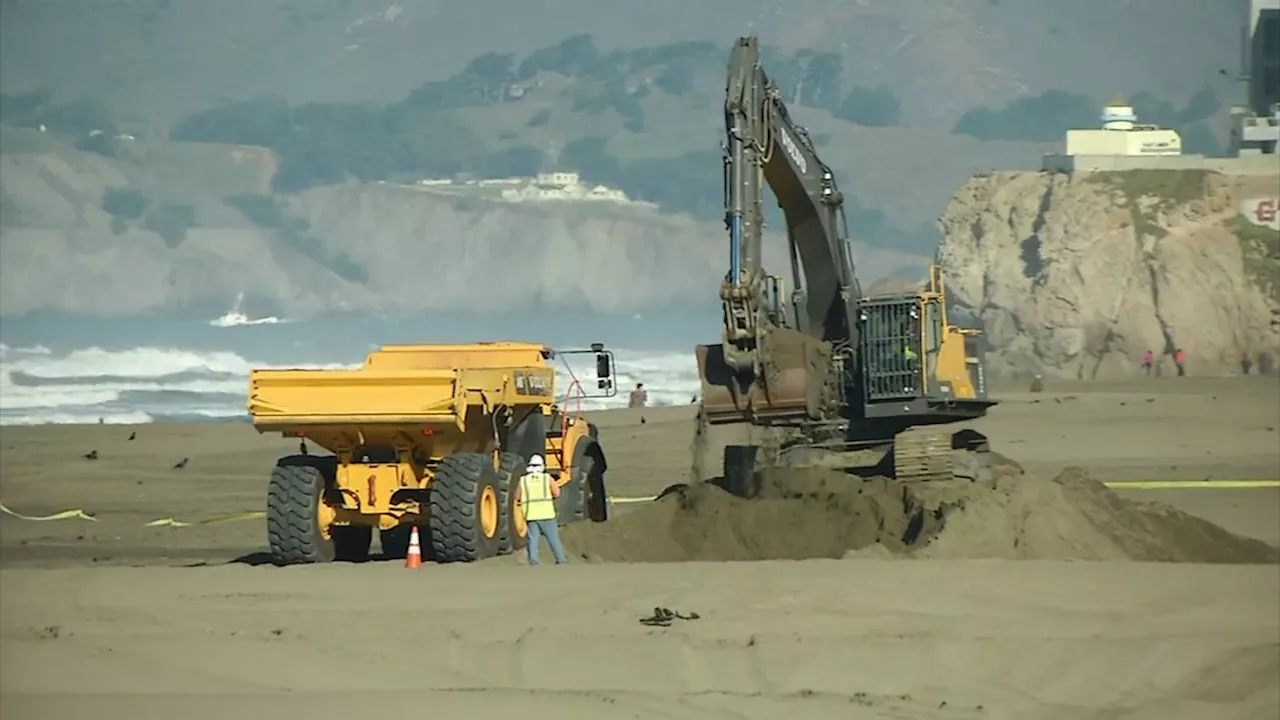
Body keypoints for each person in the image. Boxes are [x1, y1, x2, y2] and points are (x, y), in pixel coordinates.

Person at [514, 454, 568, 565]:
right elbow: (556, 493)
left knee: (533, 540)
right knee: (553, 539)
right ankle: (561, 559)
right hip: (547, 514)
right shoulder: (547, 478)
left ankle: (533, 561)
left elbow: (517, 497)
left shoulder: (523, 480)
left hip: (531, 515)